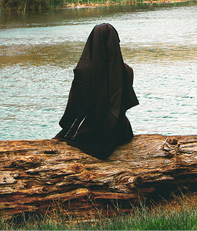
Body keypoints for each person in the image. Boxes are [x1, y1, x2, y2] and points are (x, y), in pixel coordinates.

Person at [54, 23, 139, 159]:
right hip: (120, 130)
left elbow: (74, 105)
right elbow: (121, 105)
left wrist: (67, 124)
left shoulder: (83, 71)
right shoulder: (127, 71)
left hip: (90, 131)